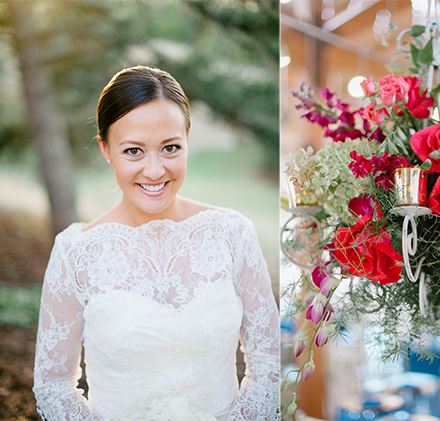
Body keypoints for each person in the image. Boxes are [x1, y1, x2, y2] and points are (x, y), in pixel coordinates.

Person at [32, 66, 280, 421]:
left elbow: (269, 361)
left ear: (188, 142)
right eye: (134, 151)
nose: (154, 170)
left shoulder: (232, 233)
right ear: (105, 149)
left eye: (170, 148)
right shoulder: (75, 252)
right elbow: (54, 385)